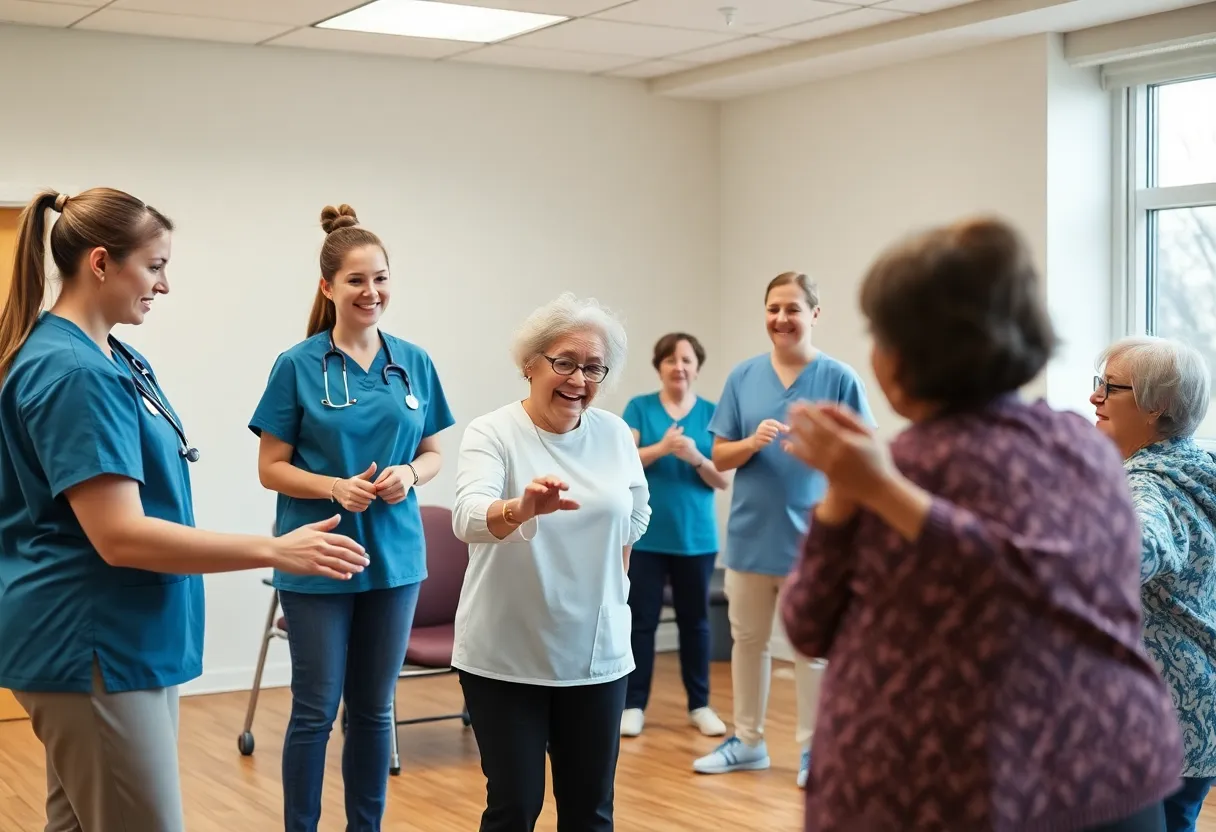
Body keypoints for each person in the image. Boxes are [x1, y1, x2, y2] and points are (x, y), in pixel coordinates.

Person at [779, 217, 1183, 832]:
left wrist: (850, 492)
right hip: (1114, 776)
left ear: (905, 355)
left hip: (955, 794)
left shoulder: (904, 472)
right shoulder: (1083, 448)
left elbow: (808, 623)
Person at [0, 188, 368, 832]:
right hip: (97, 640)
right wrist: (277, 549)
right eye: (155, 265)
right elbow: (120, 536)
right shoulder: (75, 371)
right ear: (100, 263)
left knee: (78, 821)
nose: (164, 285)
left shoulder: (106, 356)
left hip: (115, 635)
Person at [249, 204, 454, 832]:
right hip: (318, 555)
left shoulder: (413, 361)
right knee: (315, 709)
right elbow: (271, 468)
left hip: (395, 557)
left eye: (382, 278)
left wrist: (409, 475)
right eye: (358, 280)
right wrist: (334, 487)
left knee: (373, 709)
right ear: (328, 287)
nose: (372, 292)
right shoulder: (297, 365)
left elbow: (435, 452)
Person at [451, 292, 650, 832]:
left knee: (589, 812)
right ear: (529, 364)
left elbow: (636, 516)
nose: (578, 379)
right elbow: (467, 518)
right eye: (565, 362)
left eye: (593, 367)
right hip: (506, 654)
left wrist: (611, 585)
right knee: (515, 806)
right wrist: (521, 508)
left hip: (596, 655)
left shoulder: (613, 434)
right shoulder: (491, 432)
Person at [692, 271, 874, 788]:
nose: (781, 319)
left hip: (812, 543)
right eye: (773, 308)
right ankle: (747, 742)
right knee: (747, 641)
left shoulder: (839, 379)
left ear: (814, 314)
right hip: (750, 537)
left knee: (811, 651)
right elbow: (719, 456)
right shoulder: (742, 377)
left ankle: (815, 751)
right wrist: (752, 442)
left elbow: (866, 458)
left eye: (793, 309)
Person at [1093, 336, 1216, 832]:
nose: (1094, 397)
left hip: (1163, 713)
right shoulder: (1195, 469)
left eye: (1110, 388)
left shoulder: (1147, 485)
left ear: (1156, 407)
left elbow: (1141, 547)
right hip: (1199, 703)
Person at [619, 332, 730, 739]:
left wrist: (697, 457)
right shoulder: (640, 408)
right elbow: (623, 461)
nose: (678, 366)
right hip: (645, 538)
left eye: (686, 359)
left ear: (697, 367)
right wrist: (662, 448)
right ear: (659, 366)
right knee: (642, 622)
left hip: (695, 539)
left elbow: (722, 478)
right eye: (670, 359)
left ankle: (699, 705)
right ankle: (633, 705)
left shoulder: (713, 414)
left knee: (696, 623)